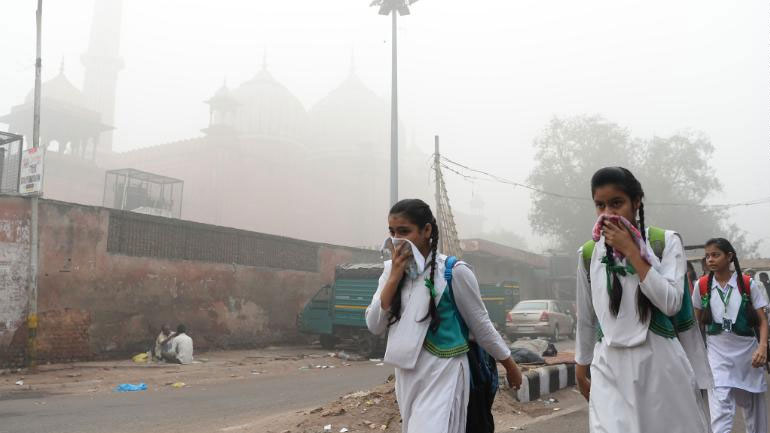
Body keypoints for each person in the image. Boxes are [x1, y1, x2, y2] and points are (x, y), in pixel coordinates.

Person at [365, 199, 522, 433]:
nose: (397, 239)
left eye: (404, 231)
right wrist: (394, 277)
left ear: (426, 230)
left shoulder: (454, 271)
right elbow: (374, 325)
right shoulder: (390, 271)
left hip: (445, 371)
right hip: (407, 375)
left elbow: (481, 326)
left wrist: (510, 365)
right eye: (392, 232)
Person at [575, 167, 710, 433]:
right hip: (608, 366)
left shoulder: (665, 242)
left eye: (617, 203)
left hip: (659, 365)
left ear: (636, 202)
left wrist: (633, 252)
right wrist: (581, 366)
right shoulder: (588, 253)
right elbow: (587, 317)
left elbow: (671, 303)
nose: (608, 214)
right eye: (600, 205)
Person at [692, 238, 768, 433]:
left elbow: (762, 320)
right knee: (720, 412)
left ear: (729, 257)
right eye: (707, 256)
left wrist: (762, 348)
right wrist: (695, 354)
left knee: (755, 414)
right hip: (717, 357)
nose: (710, 259)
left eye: (715, 255)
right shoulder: (701, 286)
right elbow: (695, 323)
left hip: (748, 357)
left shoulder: (748, 284)